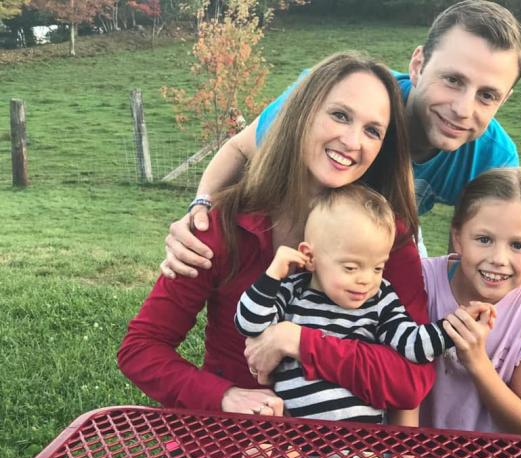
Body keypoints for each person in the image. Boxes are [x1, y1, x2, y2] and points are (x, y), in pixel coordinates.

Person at [160, 0, 521, 362]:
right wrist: (200, 214)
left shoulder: (493, 156)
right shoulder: (348, 105)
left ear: (504, 100)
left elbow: (499, 241)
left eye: (487, 96)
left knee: (399, 322)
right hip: (304, 212)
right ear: (418, 64)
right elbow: (238, 148)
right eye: (453, 80)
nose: (463, 109)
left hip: (390, 223)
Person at [118, 52, 435, 418]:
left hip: (344, 455)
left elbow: (412, 379)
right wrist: (224, 396)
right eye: (340, 115)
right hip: (235, 439)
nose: (352, 141)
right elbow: (141, 348)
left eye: (372, 130)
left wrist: (300, 342)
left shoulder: (388, 238)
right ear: (303, 114)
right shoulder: (225, 226)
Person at [235, 184, 463, 425]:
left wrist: (455, 327)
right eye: (351, 268)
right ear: (310, 257)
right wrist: (272, 276)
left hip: (357, 441)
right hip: (296, 435)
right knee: (262, 454)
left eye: (378, 267)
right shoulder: (292, 290)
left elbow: (411, 344)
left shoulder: (380, 299)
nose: (365, 279)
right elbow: (249, 323)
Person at [420, 167, 521, 436]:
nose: (498, 258)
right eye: (484, 239)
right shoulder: (423, 281)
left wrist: (476, 361)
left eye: (518, 245)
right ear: (458, 238)